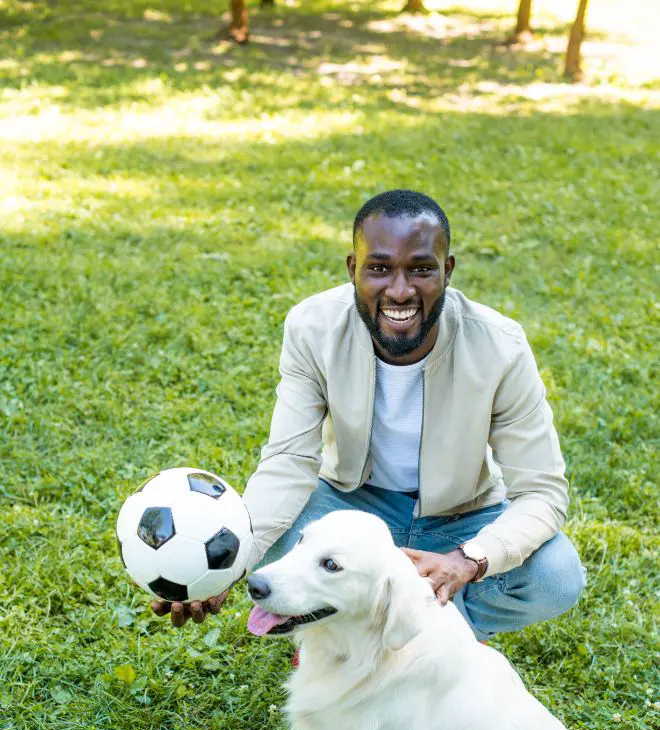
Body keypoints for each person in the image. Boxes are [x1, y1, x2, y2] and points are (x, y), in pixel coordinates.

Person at [153, 189, 585, 635]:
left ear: (447, 271)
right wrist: (228, 564)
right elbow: (289, 462)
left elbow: (541, 492)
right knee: (263, 543)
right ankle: (380, 631)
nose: (400, 291)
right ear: (353, 269)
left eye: (421, 269)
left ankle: (424, 640)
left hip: (462, 517)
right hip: (347, 503)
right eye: (379, 269)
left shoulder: (501, 346)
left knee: (556, 576)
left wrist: (468, 560)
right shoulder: (312, 327)